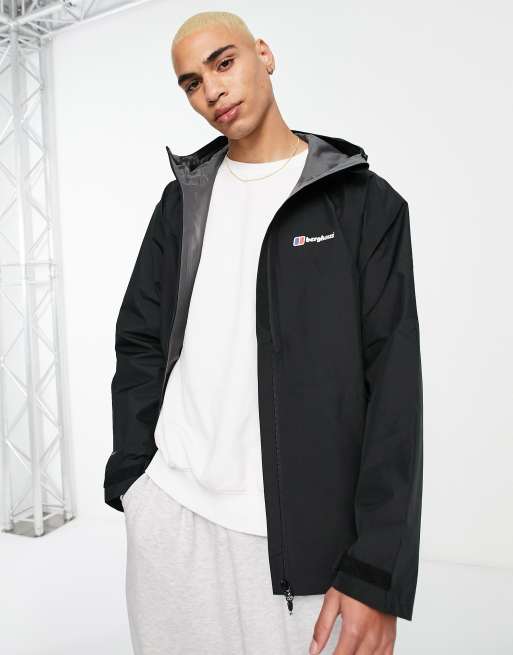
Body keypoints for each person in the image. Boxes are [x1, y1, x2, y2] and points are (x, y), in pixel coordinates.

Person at [103, 10, 423, 655]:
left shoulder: (363, 203)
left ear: (264, 55)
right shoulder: (183, 202)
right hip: (174, 516)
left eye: (224, 63)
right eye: (192, 83)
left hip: (305, 543)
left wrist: (375, 572)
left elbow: (394, 390)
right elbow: (139, 340)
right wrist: (136, 481)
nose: (213, 91)